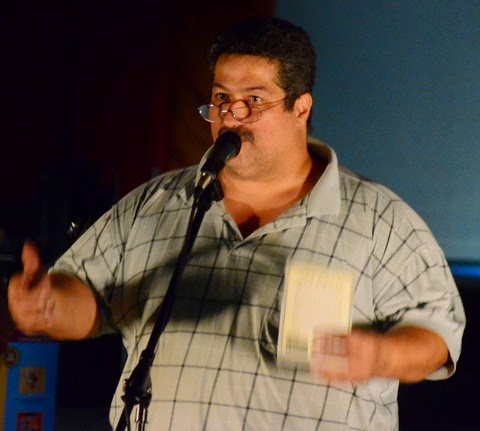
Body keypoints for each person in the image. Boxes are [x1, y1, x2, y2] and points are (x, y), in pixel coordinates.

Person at [8, 16, 465, 430]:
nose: (232, 116)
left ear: (301, 108)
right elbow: (88, 299)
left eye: (254, 100)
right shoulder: (154, 204)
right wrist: (49, 307)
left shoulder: (379, 220)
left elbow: (438, 337)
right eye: (222, 99)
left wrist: (381, 355)